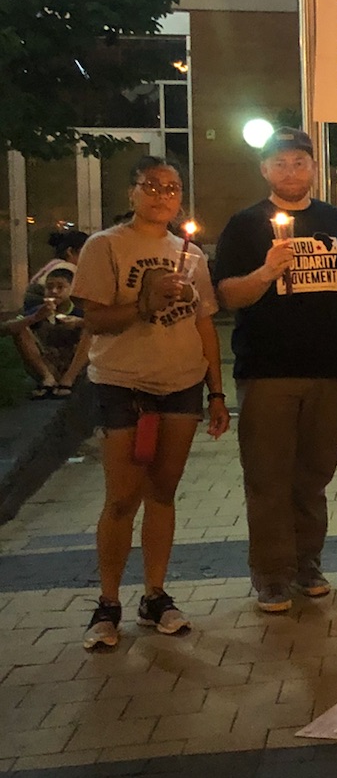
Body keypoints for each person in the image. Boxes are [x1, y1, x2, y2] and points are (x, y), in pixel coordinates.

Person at [72, 157, 230, 650]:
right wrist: (144, 304)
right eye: (152, 186)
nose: (163, 195)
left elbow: (203, 323)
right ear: (132, 192)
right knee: (122, 497)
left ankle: (155, 594)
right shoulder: (106, 246)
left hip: (180, 383)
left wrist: (217, 391)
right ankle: (108, 601)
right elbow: (95, 319)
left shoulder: (190, 254)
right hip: (123, 383)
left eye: (172, 187)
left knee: (163, 492)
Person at [213, 128, 337, 613]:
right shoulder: (244, 225)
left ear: (313, 168)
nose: (291, 171)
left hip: (328, 368)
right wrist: (266, 272)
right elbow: (227, 295)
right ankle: (272, 574)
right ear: (265, 170)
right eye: (280, 163)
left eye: (299, 162)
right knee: (268, 477)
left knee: (314, 475)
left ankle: (307, 564)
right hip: (268, 369)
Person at [4, 268, 89, 398]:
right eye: (49, 287)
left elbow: (104, 326)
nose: (54, 291)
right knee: (20, 328)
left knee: (90, 330)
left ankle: (68, 380)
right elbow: (6, 328)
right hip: (47, 361)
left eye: (60, 287)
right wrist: (35, 318)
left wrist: (80, 323)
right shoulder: (39, 310)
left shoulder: (81, 310)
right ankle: (47, 378)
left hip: (75, 365)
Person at [24, 227, 90, 309]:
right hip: (43, 306)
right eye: (85, 252)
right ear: (69, 251)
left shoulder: (54, 263)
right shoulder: (67, 268)